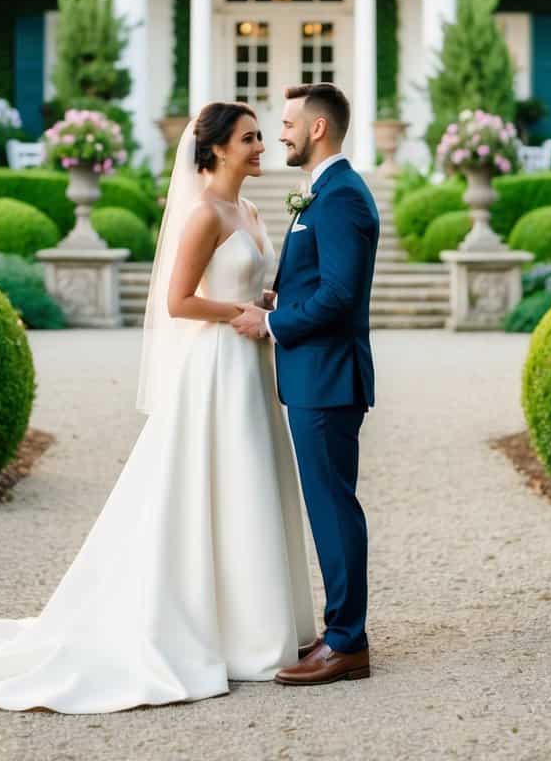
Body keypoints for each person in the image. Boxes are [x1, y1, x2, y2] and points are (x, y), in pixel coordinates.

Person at [0, 103, 316, 714]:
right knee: (216, 484)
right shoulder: (201, 214)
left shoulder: (246, 210)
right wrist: (243, 315)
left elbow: (241, 286)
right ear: (216, 150)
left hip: (250, 366)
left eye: (260, 137)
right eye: (249, 139)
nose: (261, 146)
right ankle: (213, 631)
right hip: (217, 367)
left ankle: (256, 627)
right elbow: (178, 302)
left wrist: (266, 302)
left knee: (252, 485)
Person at [233, 83, 379, 685]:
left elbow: (342, 295)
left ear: (318, 129)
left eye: (288, 123)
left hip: (328, 377)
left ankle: (348, 643)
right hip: (314, 376)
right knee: (326, 506)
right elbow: (321, 280)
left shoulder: (342, 195)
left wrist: (270, 322)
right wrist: (280, 295)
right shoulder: (322, 193)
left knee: (332, 507)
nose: (280, 134)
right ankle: (340, 630)